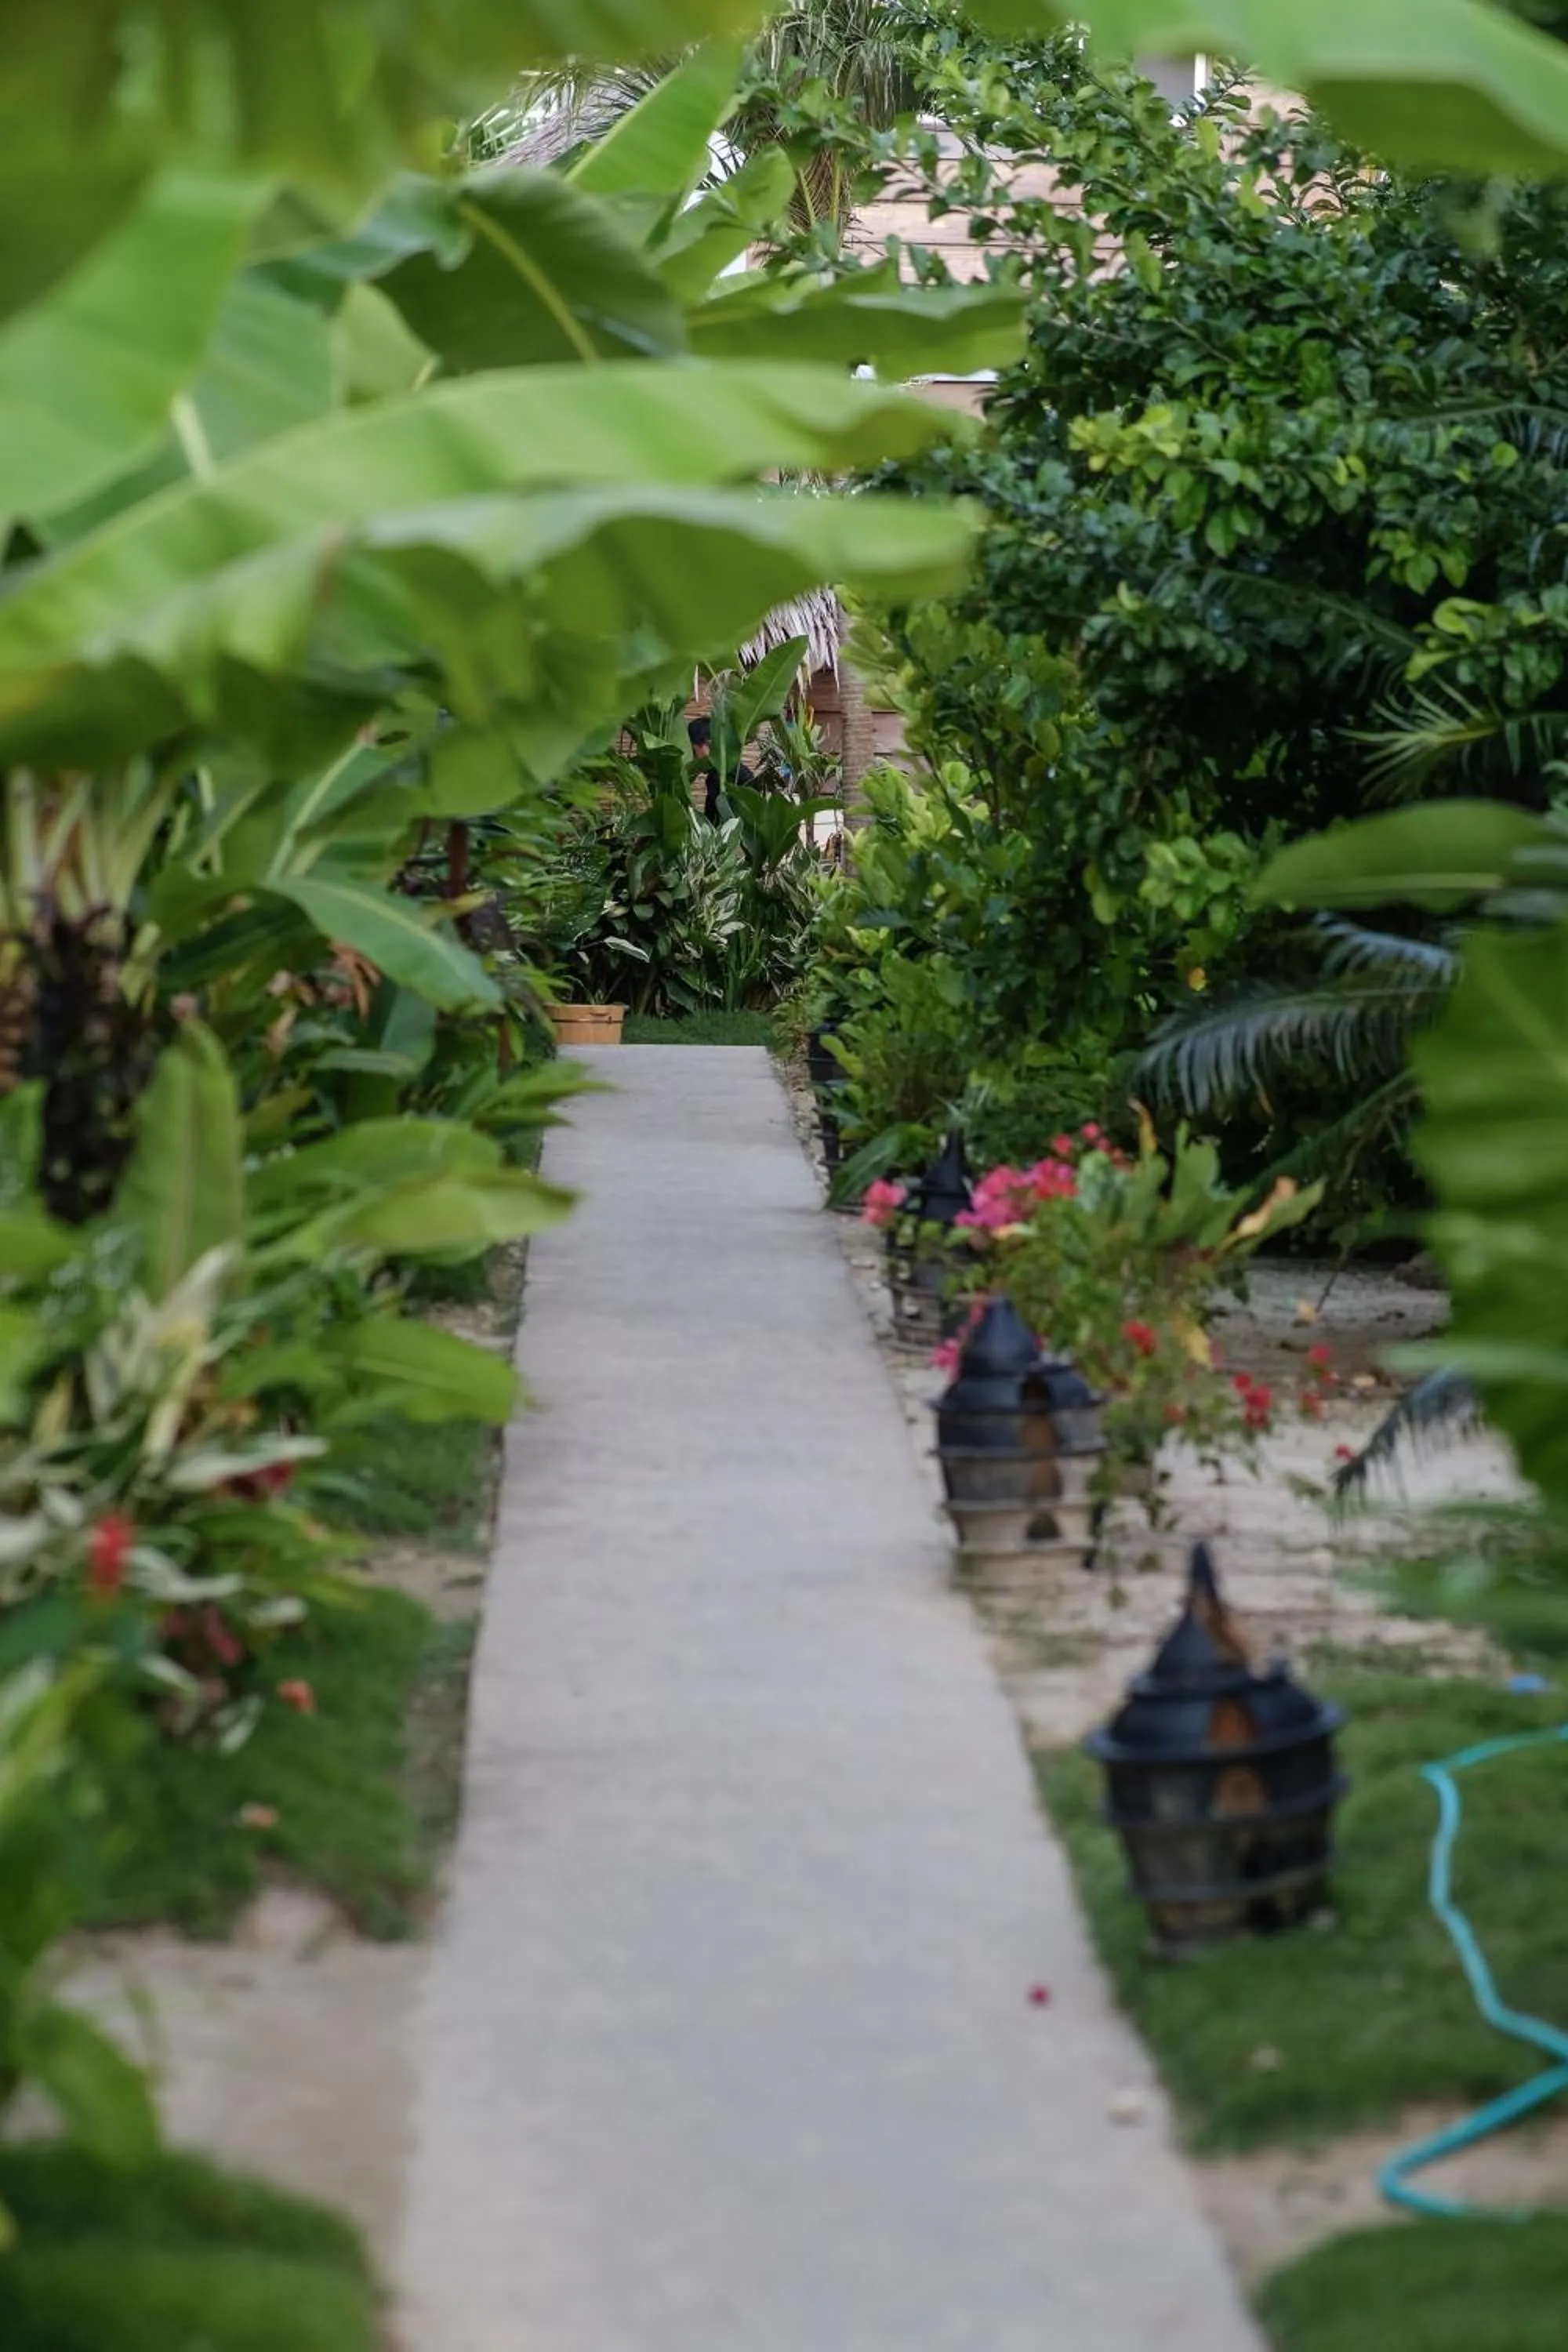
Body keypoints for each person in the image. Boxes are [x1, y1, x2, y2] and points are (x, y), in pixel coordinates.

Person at [688, 713, 753, 823]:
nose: (693, 758)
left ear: (708, 743)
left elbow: (713, 820)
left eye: (694, 750)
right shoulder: (738, 769)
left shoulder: (718, 778)